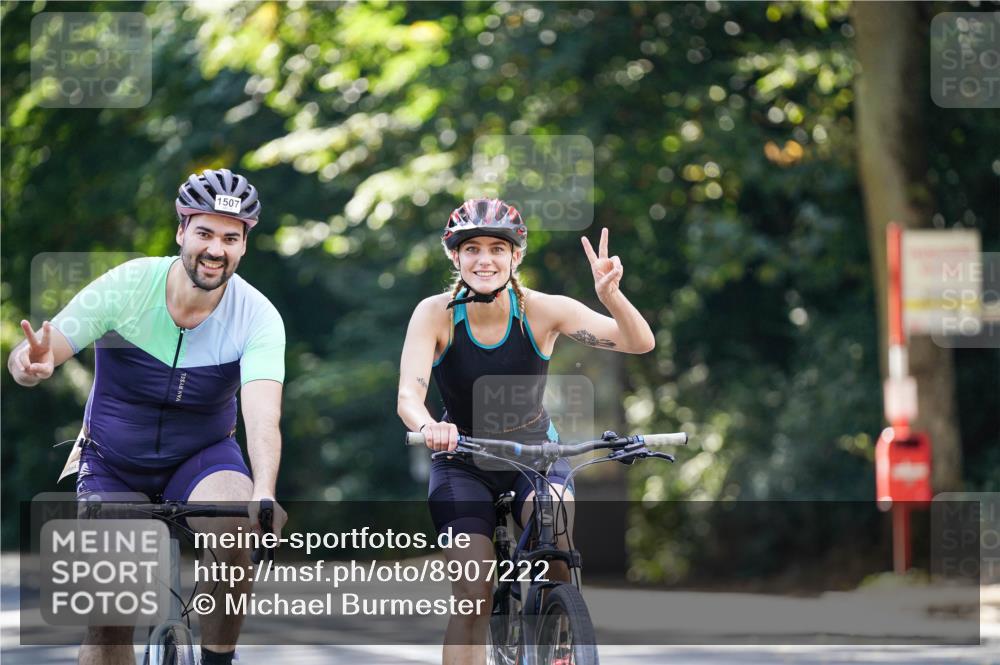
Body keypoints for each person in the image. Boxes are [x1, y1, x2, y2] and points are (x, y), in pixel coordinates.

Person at [8, 168, 288, 665]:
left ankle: (218, 659)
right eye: (204, 233)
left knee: (236, 527)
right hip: (113, 461)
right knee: (110, 621)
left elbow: (263, 413)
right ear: (181, 232)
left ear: (244, 245)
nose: (216, 249)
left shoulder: (258, 315)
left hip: (203, 458)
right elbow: (45, 349)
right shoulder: (129, 284)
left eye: (230, 238)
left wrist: (264, 489)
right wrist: (28, 364)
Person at [397, 198, 655, 665]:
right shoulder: (435, 314)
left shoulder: (542, 310)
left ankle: (558, 642)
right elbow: (408, 397)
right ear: (454, 256)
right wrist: (430, 427)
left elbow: (640, 343)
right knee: (473, 592)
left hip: (536, 455)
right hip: (462, 460)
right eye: (472, 249)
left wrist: (611, 296)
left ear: (516, 256)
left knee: (557, 550)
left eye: (497, 248)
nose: (485, 260)